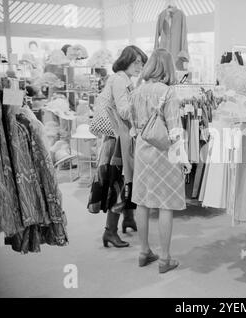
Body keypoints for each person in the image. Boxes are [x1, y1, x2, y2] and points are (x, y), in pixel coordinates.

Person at [131, 48, 191, 273]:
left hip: (142, 151)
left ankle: (144, 251)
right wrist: (183, 158)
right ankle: (165, 259)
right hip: (164, 153)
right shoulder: (168, 92)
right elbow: (175, 131)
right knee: (166, 203)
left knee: (143, 201)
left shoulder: (138, 91)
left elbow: (133, 123)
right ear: (167, 68)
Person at [89, 45, 148, 248]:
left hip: (120, 137)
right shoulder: (119, 80)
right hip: (116, 140)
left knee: (127, 179)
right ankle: (110, 231)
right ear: (126, 60)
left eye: (142, 62)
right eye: (136, 62)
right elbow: (123, 111)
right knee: (119, 182)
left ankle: (128, 219)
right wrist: (142, 103)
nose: (140, 66)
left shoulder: (124, 80)